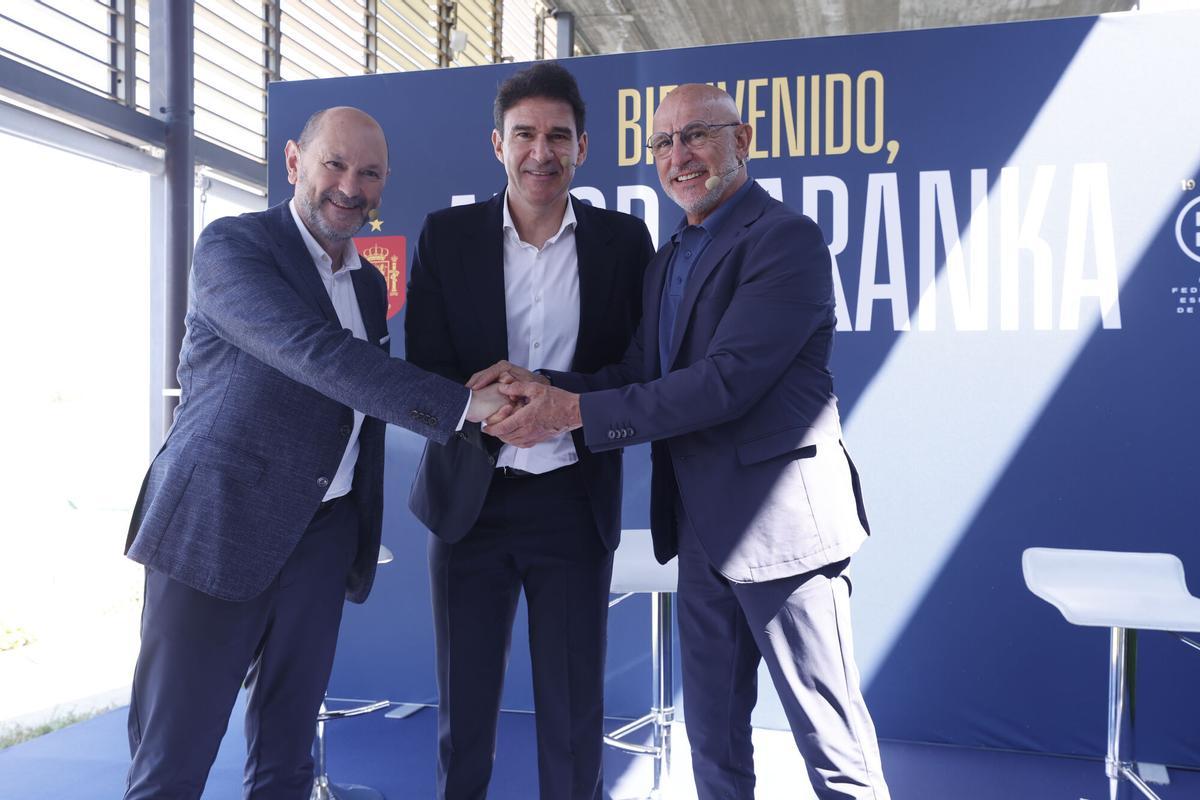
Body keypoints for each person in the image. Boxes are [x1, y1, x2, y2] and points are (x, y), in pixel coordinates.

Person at [476, 84, 891, 800]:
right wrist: (539, 387)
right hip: (699, 533)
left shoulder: (784, 239)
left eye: (697, 134)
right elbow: (641, 372)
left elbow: (725, 382)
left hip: (783, 532)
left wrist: (571, 413)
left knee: (833, 750)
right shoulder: (670, 256)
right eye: (664, 143)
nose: (680, 156)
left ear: (743, 140)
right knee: (714, 745)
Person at [122, 106, 508, 800]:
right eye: (335, 164)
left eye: (370, 173)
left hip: (323, 537)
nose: (350, 187)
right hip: (217, 526)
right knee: (171, 762)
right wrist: (466, 407)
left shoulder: (367, 283)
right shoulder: (233, 247)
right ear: (295, 162)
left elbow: (358, 403)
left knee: (289, 756)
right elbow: (316, 356)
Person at [405, 62, 654, 800]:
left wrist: (550, 395)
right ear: (497, 144)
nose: (540, 152)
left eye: (558, 136)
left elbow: (639, 370)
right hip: (469, 502)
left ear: (584, 147)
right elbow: (425, 369)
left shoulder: (623, 242)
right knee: (464, 718)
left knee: (574, 723)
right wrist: (496, 407)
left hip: (574, 503)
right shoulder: (447, 236)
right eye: (524, 135)